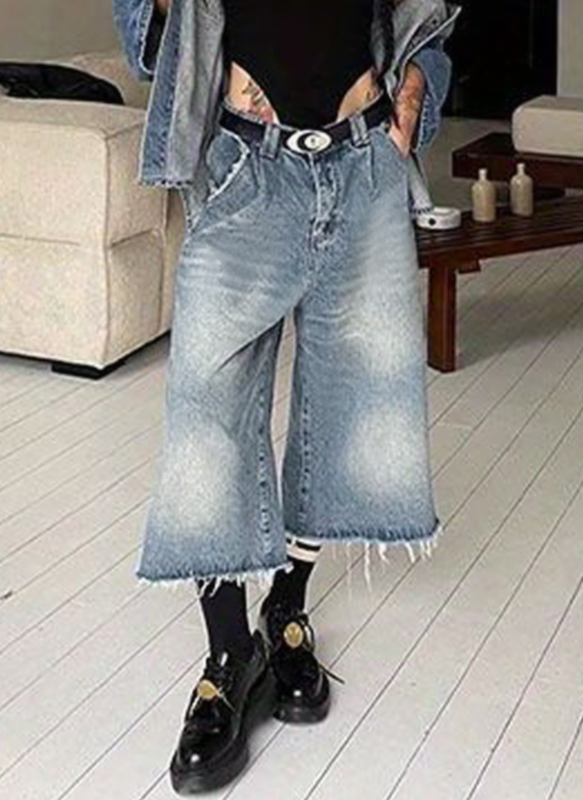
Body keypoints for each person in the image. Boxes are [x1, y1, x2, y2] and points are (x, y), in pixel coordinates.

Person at [113, 0, 460, 793]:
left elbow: (429, 24)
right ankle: (228, 653)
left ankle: (287, 607)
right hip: (246, 169)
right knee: (207, 415)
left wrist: (411, 101)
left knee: (349, 406)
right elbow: (148, 41)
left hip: (363, 163)